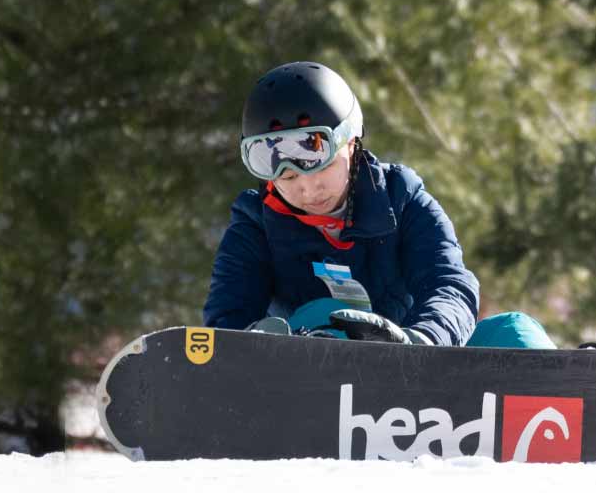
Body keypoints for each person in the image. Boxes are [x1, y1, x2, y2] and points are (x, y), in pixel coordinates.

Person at [205, 61, 554, 349]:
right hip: (310, 379)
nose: (309, 189)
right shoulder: (257, 222)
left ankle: (574, 409)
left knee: (516, 333)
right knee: (324, 315)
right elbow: (227, 320)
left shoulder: (400, 197)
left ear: (351, 144)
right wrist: (251, 346)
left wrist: (422, 342)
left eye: (322, 166)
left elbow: (449, 283)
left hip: (417, 366)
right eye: (289, 179)